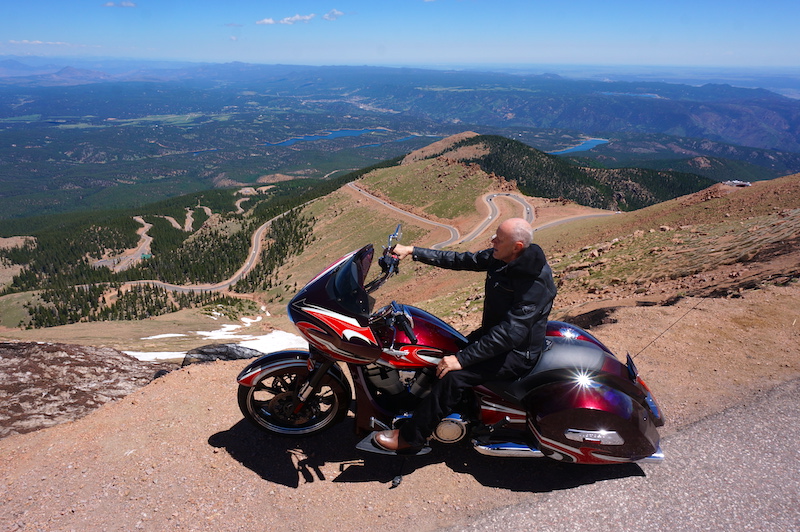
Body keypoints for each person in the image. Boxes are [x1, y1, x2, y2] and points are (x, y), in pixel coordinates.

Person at [374, 217, 558, 453]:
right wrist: (413, 251)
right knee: (441, 350)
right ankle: (413, 405)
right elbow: (462, 260)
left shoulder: (534, 282)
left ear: (517, 247)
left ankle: (412, 437)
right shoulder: (501, 257)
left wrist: (462, 360)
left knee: (454, 376)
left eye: (498, 239)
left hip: (517, 352)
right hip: (494, 336)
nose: (492, 241)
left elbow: (511, 334)